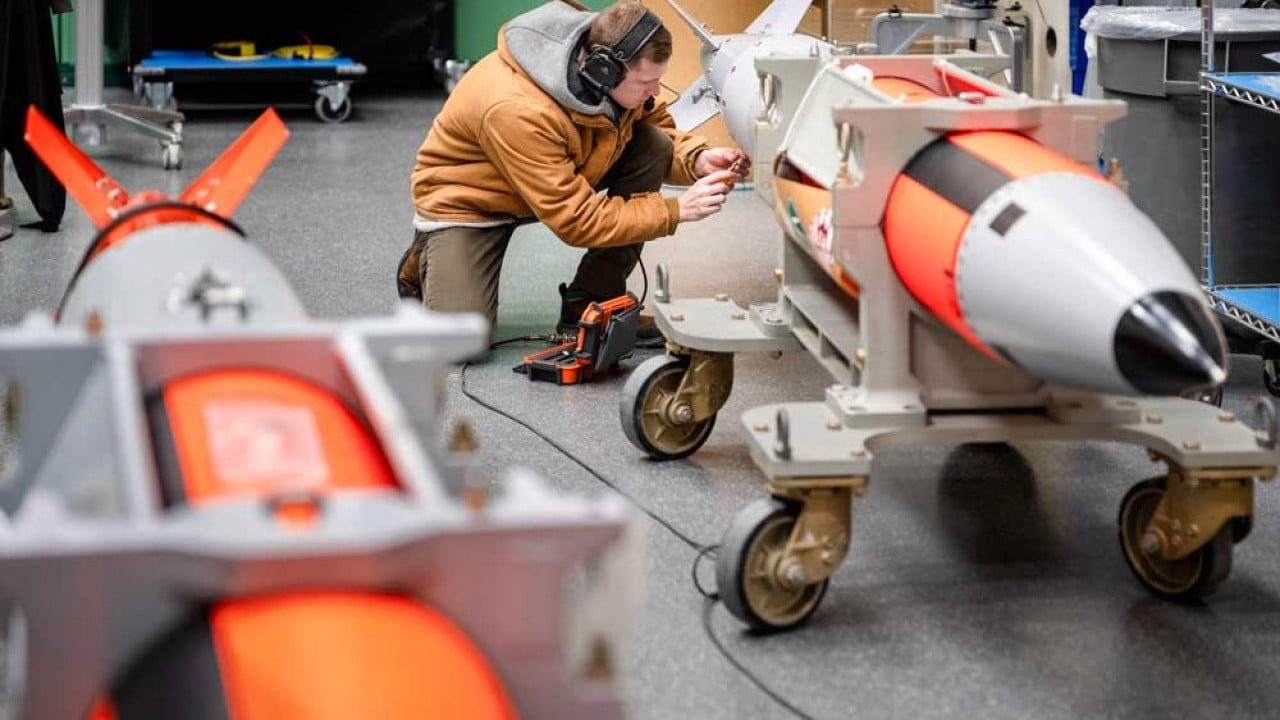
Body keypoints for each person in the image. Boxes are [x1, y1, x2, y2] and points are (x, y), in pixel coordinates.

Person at [397, 0, 747, 346]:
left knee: (653, 144)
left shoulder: (605, 55)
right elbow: (577, 220)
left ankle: (591, 302)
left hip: (554, 173)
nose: (654, 91)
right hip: (470, 203)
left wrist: (697, 159)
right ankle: (425, 259)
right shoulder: (517, 109)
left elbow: (655, 125)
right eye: (646, 82)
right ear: (604, 71)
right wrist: (676, 210)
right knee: (460, 343)